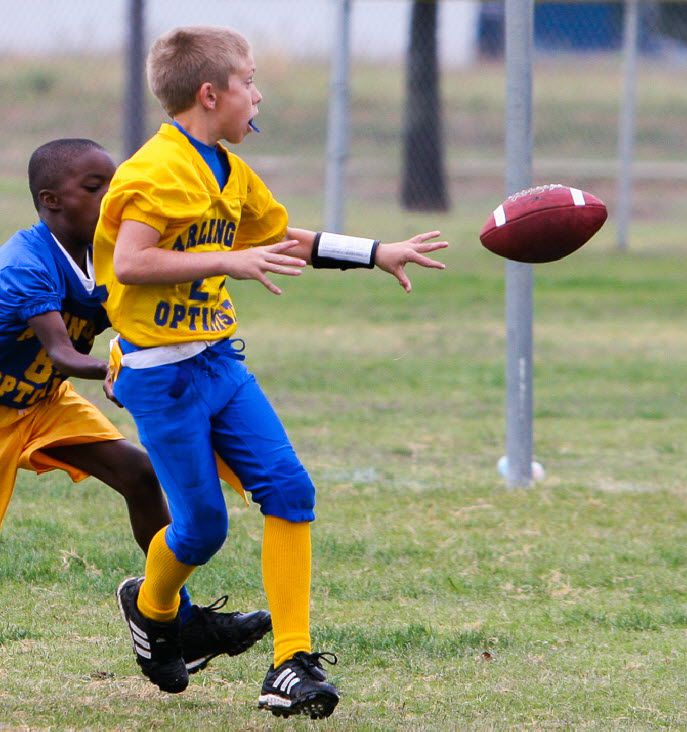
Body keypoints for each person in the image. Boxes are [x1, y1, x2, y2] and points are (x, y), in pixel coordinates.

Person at [93, 26, 447, 719]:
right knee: (201, 531)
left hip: (219, 362)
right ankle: (152, 605)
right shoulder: (158, 170)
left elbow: (279, 240)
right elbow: (133, 262)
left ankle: (291, 661)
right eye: (250, 81)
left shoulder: (227, 167)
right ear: (210, 93)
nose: (258, 94)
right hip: (162, 379)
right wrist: (222, 261)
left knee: (290, 488)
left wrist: (375, 250)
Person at [0, 138, 272, 675]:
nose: (111, 196)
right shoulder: (25, 262)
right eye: (94, 187)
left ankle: (176, 621)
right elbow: (61, 351)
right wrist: (124, 369)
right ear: (51, 200)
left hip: (43, 401)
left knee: (140, 475)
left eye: (114, 183)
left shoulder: (111, 252)